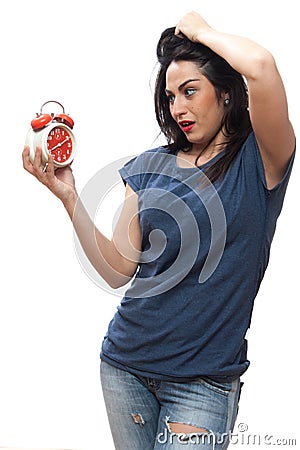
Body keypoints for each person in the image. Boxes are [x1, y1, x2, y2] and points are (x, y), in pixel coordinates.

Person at [22, 11, 295, 450]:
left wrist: (201, 33)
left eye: (190, 91)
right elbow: (118, 271)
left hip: (203, 383)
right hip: (125, 367)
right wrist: (70, 196)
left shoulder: (260, 160)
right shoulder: (150, 167)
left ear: (226, 93)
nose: (178, 108)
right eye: (170, 97)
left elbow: (261, 66)